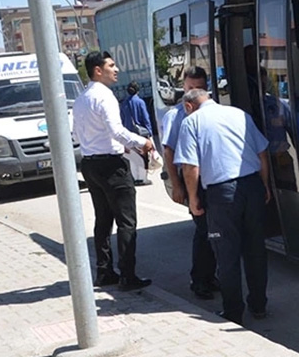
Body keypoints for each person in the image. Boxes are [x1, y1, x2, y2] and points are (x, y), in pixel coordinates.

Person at [175, 89, 271, 325]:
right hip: (252, 186)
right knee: (255, 250)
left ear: (189, 106)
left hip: (221, 194)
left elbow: (190, 167)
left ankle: (233, 311)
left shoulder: (191, 122)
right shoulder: (239, 114)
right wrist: (265, 185)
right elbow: (262, 153)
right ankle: (259, 305)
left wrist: (193, 198)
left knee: (227, 254)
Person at [73, 51, 153, 291]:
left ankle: (105, 271)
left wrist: (119, 147)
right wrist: (142, 143)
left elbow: (77, 135)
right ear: (98, 70)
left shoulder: (81, 98)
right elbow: (117, 130)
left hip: (90, 164)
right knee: (127, 221)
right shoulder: (104, 96)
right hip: (110, 166)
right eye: (111, 65)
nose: (116, 69)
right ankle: (128, 276)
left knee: (103, 219)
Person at [160, 66, 218, 300]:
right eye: (190, 87)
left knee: (215, 232)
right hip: (192, 181)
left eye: (199, 88)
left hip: (212, 179)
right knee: (204, 233)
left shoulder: (211, 111)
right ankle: (199, 280)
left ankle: (209, 276)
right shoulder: (176, 116)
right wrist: (177, 186)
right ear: (183, 86)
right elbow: (169, 153)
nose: (193, 92)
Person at [120, 81, 153, 186]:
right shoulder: (140, 102)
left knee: (133, 156)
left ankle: (135, 178)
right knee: (143, 156)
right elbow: (145, 118)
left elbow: (122, 119)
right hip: (140, 134)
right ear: (138, 90)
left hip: (128, 133)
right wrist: (150, 133)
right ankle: (143, 178)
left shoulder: (123, 103)